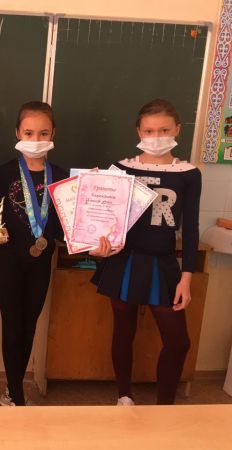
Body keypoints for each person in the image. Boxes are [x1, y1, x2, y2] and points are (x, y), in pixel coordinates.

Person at [90, 99, 201, 405]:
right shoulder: (121, 168)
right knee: (123, 331)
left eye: (164, 130)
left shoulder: (189, 173)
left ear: (177, 129)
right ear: (138, 131)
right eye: (149, 131)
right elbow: (102, 216)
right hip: (123, 261)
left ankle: (164, 407)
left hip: (163, 263)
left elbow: (191, 228)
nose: (156, 137)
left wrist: (187, 278)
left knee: (178, 342)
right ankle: (124, 395)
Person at [0, 101, 67, 406]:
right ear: (17, 133)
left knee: (29, 324)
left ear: (53, 134)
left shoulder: (61, 176)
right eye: (29, 133)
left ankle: (13, 387)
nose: (36, 139)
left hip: (41, 261)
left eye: (43, 133)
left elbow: (65, 222)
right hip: (8, 260)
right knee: (11, 325)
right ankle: (15, 393)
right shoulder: (4, 173)